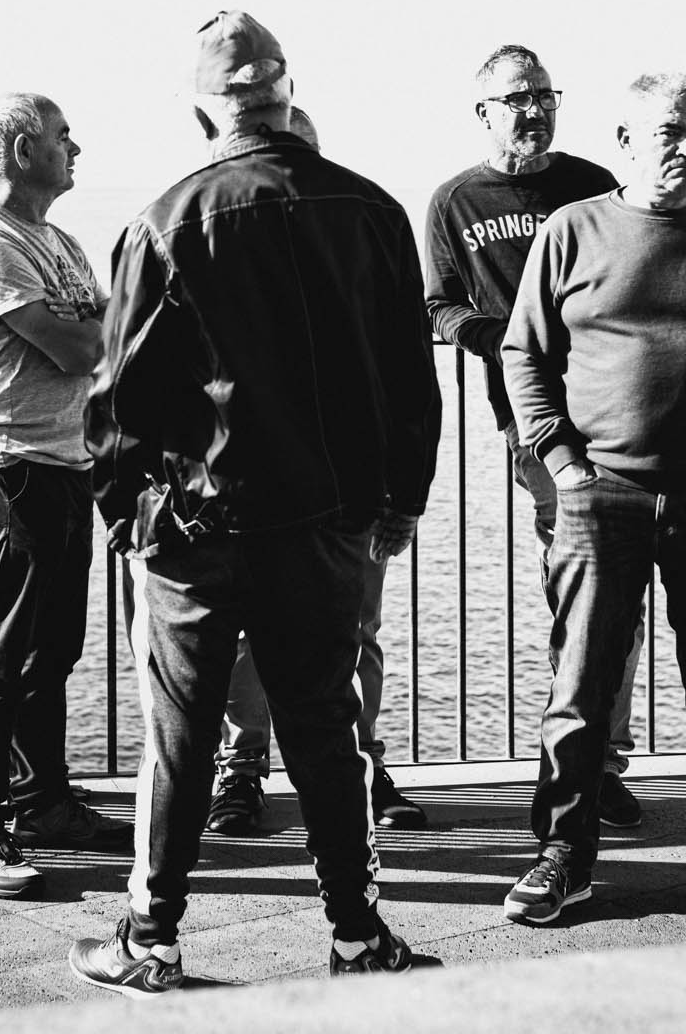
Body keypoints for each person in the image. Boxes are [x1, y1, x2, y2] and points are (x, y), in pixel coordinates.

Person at [70, 11, 443, 995]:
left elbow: (118, 401)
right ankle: (357, 934)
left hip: (199, 529)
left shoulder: (164, 218)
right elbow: (410, 380)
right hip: (324, 525)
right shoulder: (369, 211)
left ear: (203, 105)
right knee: (327, 730)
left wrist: (123, 517)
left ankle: (151, 938)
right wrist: (397, 501)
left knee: (177, 741)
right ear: (284, 89)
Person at [499, 71, 686, 931]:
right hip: (602, 497)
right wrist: (561, 460)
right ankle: (562, 855)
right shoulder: (574, 230)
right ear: (627, 140)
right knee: (583, 687)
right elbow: (524, 354)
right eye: (670, 131)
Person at [420, 45, 646, 828]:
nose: (533, 109)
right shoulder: (456, 201)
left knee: (613, 590)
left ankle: (596, 760)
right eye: (516, 97)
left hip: (622, 412)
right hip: (537, 421)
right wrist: (501, 337)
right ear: (483, 111)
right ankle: (579, 761)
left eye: (544, 94)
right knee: (583, 585)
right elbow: (437, 307)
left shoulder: (593, 185)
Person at [206, 105, 429, 837]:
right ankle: (244, 770)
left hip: (346, 484)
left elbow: (407, 369)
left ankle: (357, 764)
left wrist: (408, 491)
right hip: (255, 484)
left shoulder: (360, 234)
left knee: (352, 630)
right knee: (265, 635)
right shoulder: (221, 235)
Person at [0, 92, 129, 903]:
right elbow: (84, 342)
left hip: (66, 461)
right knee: (1, 652)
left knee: (54, 647)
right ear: (23, 151)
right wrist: (93, 330)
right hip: (8, 466)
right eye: (60, 137)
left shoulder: (59, 240)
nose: (76, 147)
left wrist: (97, 331)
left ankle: (44, 802)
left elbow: (104, 334)